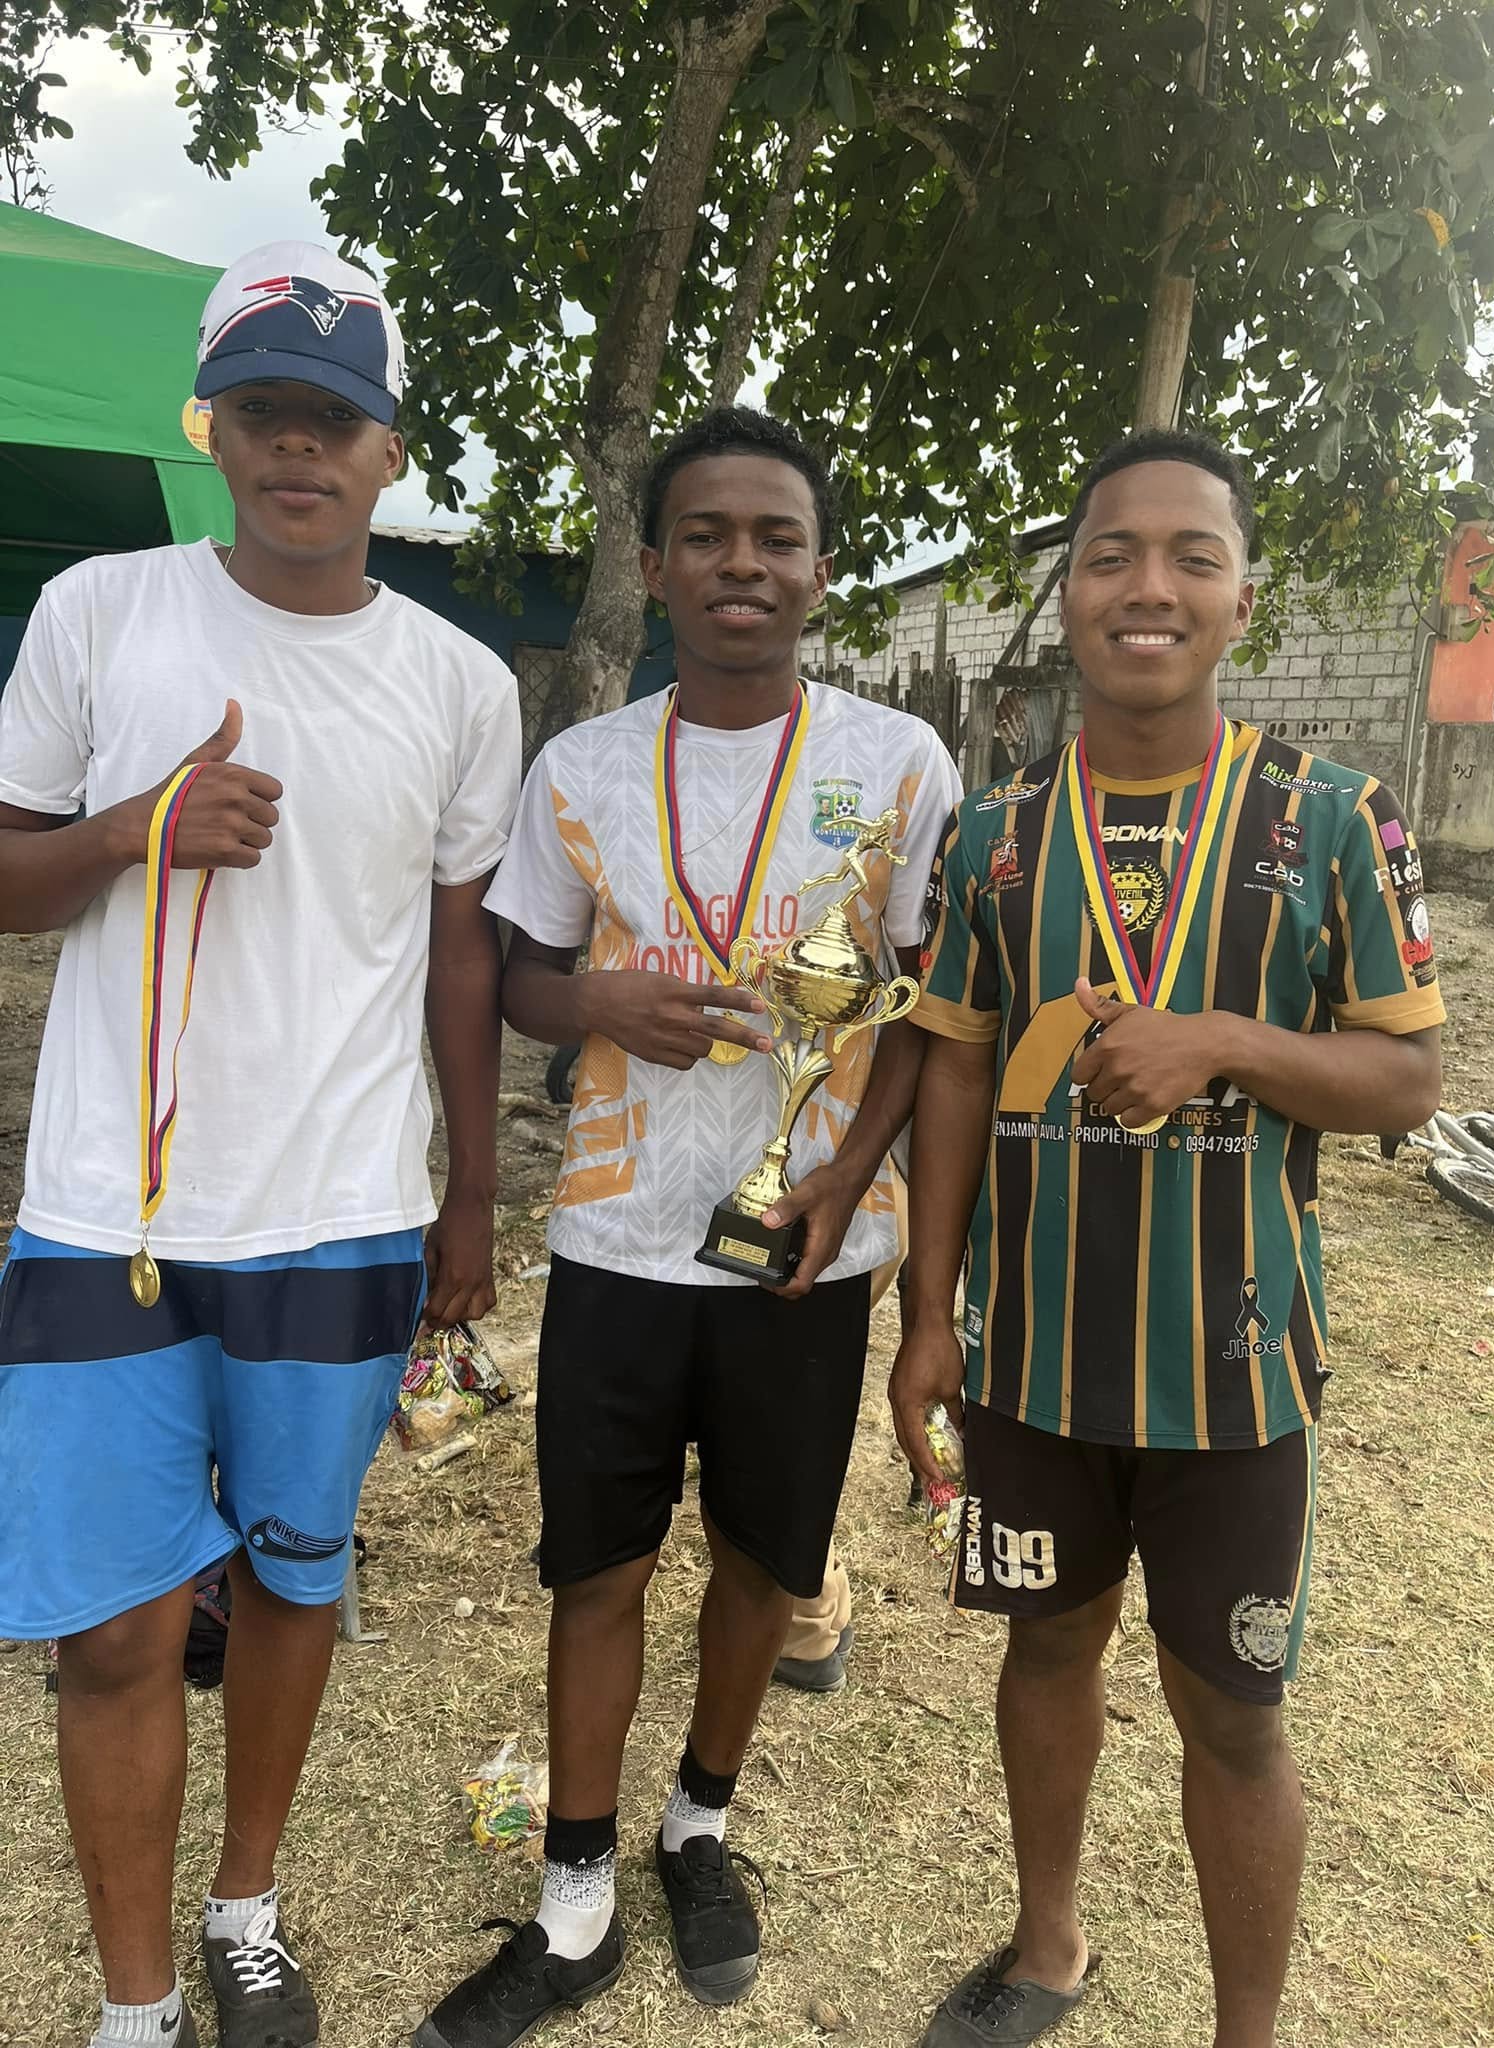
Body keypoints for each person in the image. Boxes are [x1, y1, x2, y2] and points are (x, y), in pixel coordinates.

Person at [0, 242, 519, 2048]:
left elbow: (465, 956)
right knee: (116, 1634)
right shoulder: (99, 613)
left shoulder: (460, 680)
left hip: (342, 1217)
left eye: (337, 417)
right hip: (107, 1218)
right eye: (267, 408)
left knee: (297, 1581)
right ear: (210, 426)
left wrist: (472, 1193)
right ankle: (135, 2007)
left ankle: (247, 1910)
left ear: (390, 452)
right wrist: (131, 828)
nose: (302, 445)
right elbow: (7, 876)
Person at [891, 428, 1444, 2048]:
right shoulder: (994, 835)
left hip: (1235, 1373)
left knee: (1236, 1718)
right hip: (1033, 1360)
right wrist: (927, 1315)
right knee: (1046, 1651)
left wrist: (1225, 1044)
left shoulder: (1334, 816)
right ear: (1067, 593)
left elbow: (1409, 1080)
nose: (1150, 586)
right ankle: (1049, 1948)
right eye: (1111, 555)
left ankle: (1244, 2034)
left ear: (1242, 598)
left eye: (1193, 556)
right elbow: (955, 1072)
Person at [417, 406, 961, 2048]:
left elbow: (936, 1011)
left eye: (776, 537)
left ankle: (698, 1825)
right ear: (654, 567)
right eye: (707, 535)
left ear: (821, 570)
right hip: (615, 1241)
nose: (743, 563)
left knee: (762, 1561)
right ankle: (576, 1892)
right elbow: (518, 977)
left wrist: (849, 1180)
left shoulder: (901, 765)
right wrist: (599, 1001)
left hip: (804, 1246)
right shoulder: (581, 766)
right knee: (599, 1566)